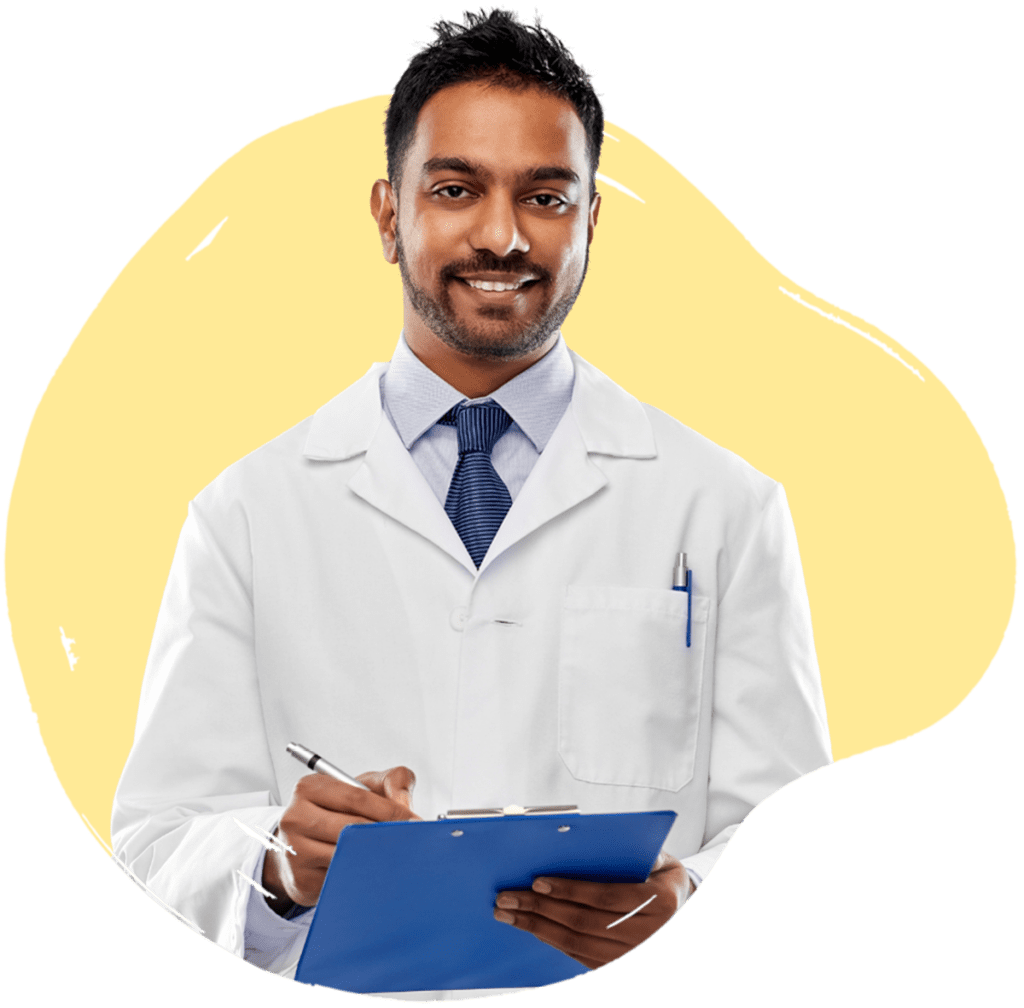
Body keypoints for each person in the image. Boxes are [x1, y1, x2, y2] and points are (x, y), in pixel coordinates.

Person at [112, 6, 832, 1000]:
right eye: (455, 190)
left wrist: (690, 906)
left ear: (592, 220)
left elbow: (797, 846)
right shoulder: (243, 516)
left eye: (546, 196)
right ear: (387, 215)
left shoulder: (724, 509)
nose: (502, 236)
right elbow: (155, 849)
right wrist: (274, 864)